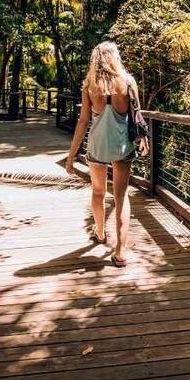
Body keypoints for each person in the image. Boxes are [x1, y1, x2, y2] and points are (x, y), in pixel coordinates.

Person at [65, 42, 148, 267]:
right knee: (121, 196)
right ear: (115, 58)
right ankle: (120, 251)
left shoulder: (90, 85)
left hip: (98, 145)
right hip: (122, 145)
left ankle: (100, 233)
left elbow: (83, 121)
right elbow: (137, 114)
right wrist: (143, 139)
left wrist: (71, 156)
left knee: (98, 191)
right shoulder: (129, 82)